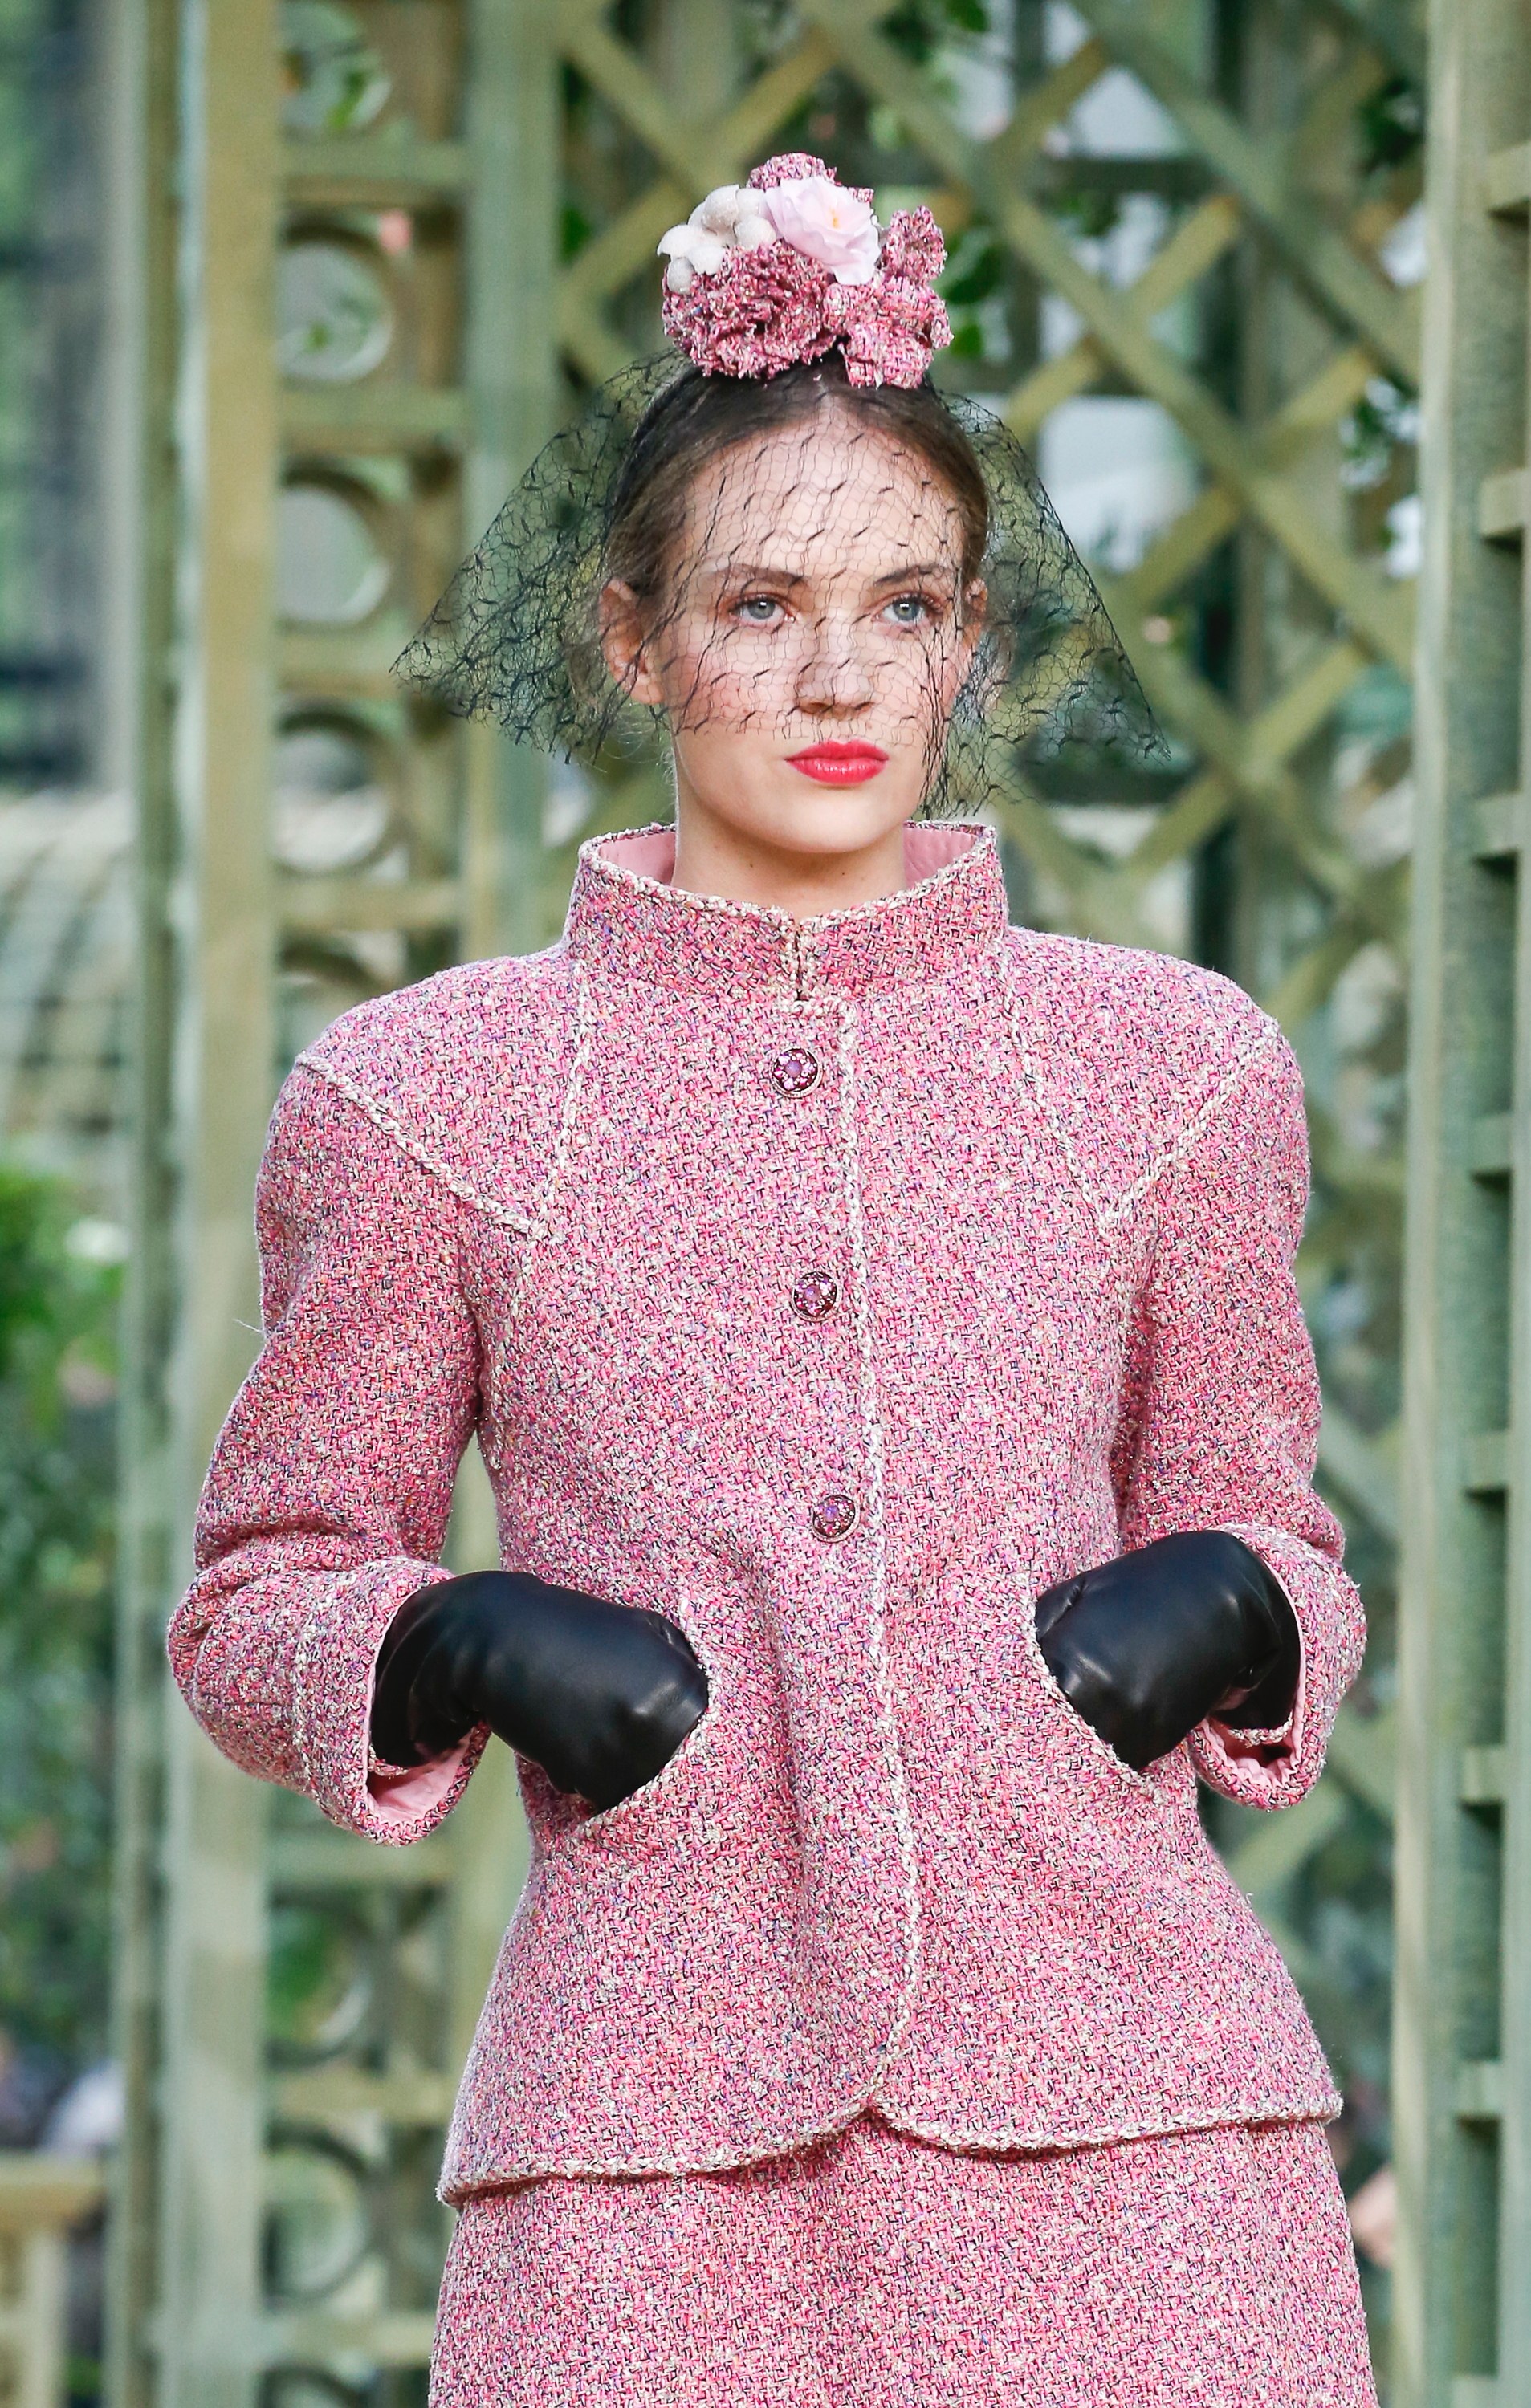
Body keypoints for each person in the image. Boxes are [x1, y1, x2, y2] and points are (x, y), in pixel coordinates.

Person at [169, 155, 1376, 2406]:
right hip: (646, 2170)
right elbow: (253, 1604)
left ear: (971, 641)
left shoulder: (1174, 1072)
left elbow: (1282, 1540)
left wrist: (1232, 1604)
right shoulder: (424, 1098)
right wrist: (450, 1638)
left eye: (905, 606)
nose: (841, 675)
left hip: (1149, 2150)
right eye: (760, 605)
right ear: (633, 639)